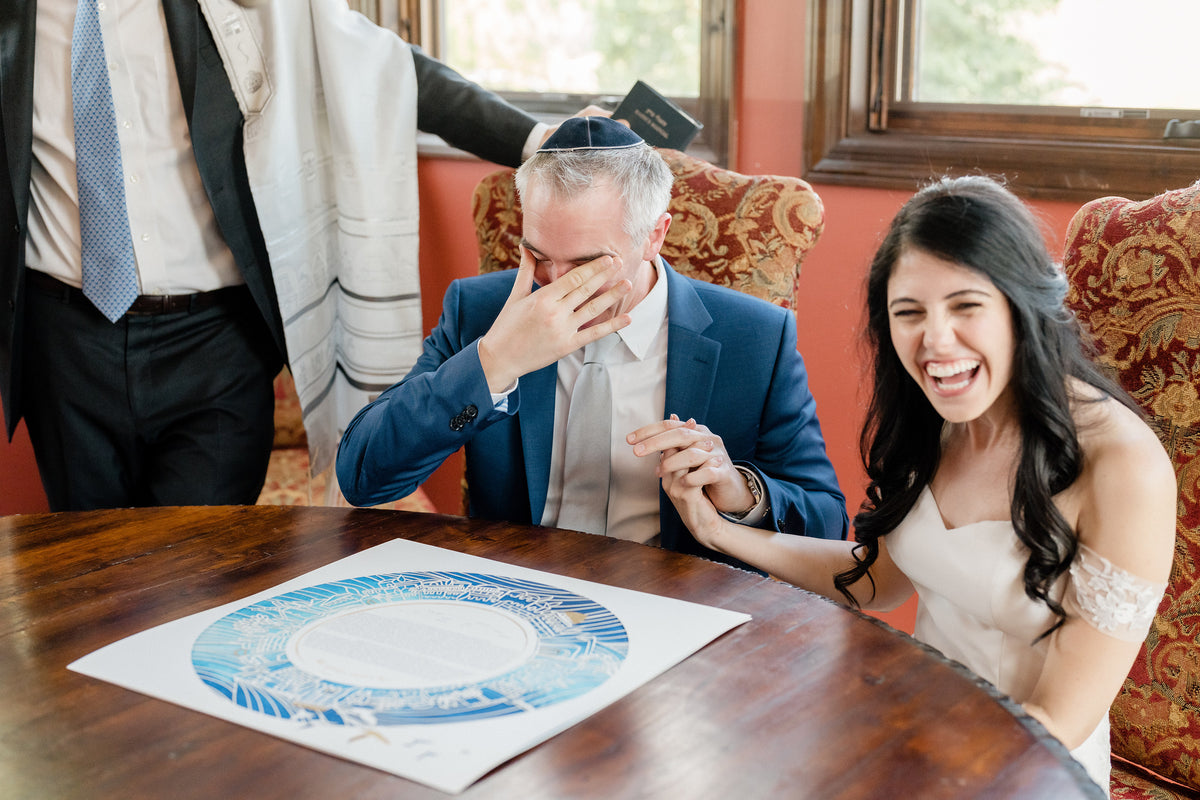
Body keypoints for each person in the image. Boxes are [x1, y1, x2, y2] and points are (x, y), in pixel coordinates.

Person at [654, 175, 1175, 792]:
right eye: (909, 313)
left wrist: (872, 760)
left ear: (1022, 304)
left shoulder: (1124, 467)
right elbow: (876, 580)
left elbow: (1056, 725)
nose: (935, 341)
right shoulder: (936, 416)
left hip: (1021, 771)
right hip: (914, 730)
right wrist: (718, 532)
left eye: (966, 306)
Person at [0, 0, 583, 511]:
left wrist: (537, 140)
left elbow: (384, 66)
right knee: (85, 575)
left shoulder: (239, 9)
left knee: (201, 577)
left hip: (216, 345)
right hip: (63, 344)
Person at [336, 116, 847, 562]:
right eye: (538, 255)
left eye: (585, 263)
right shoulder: (480, 312)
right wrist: (494, 362)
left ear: (654, 235)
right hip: (514, 596)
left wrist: (739, 492)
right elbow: (363, 477)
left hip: (676, 605)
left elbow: (828, 524)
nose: (556, 284)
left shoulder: (756, 337)